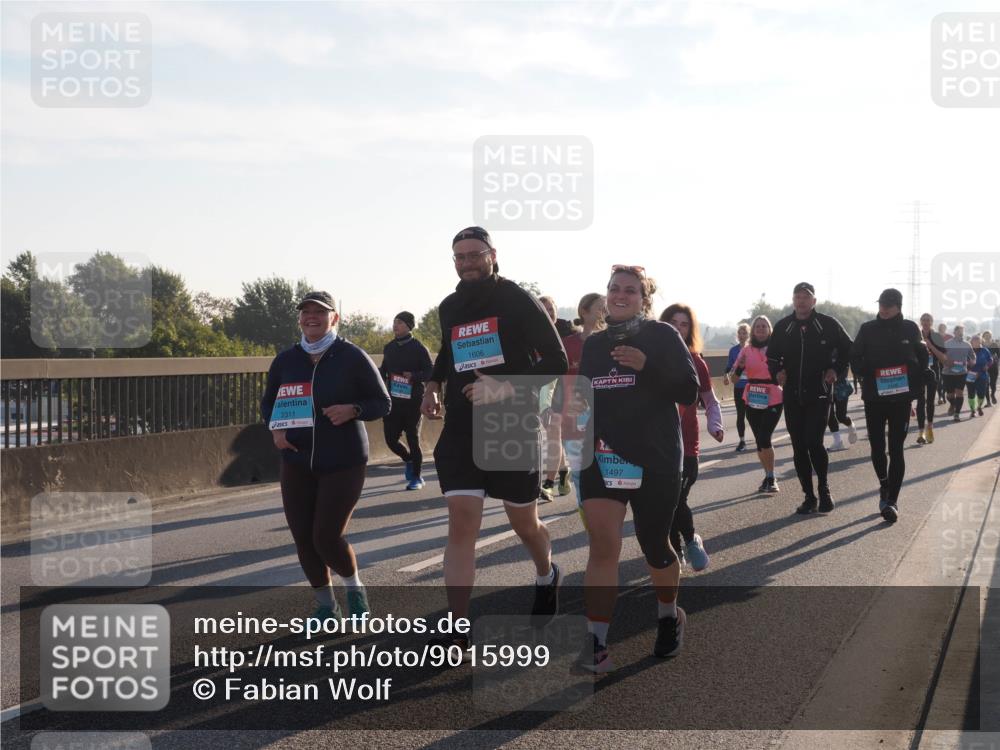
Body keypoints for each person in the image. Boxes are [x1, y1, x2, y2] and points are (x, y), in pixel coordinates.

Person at [420, 226, 568, 654]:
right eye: (459, 256)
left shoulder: (516, 299)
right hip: (462, 430)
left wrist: (505, 386)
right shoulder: (450, 306)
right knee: (461, 524)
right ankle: (458, 628)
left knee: (524, 523)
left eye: (474, 254)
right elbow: (448, 352)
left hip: (511, 426)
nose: (467, 262)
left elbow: (557, 360)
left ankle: (546, 573)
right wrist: (433, 384)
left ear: (492, 255)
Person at [572, 265, 699, 673]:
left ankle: (668, 616)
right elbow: (586, 398)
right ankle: (597, 643)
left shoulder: (662, 336)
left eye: (630, 290)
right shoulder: (594, 345)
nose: (620, 295)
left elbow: (689, 391)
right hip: (604, 457)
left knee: (655, 545)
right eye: (614, 288)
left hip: (655, 457)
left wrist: (647, 365)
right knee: (602, 546)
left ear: (644, 299)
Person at [261, 291, 391, 621]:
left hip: (343, 460)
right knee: (304, 539)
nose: (311, 317)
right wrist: (276, 430)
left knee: (326, 536)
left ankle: (355, 590)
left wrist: (354, 409)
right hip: (296, 460)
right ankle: (325, 606)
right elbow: (269, 403)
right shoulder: (286, 360)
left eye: (319, 312)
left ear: (334, 318)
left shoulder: (351, 356)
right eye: (305, 312)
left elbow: (383, 402)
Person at [767, 282, 852, 514]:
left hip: (819, 392)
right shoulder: (784, 326)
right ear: (793, 300)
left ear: (814, 301)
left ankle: (824, 489)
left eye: (806, 297)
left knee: (814, 442)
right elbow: (772, 356)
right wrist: (777, 372)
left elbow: (848, 349)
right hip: (793, 394)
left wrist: (835, 369)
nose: (801, 301)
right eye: (798, 297)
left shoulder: (828, 324)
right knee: (798, 446)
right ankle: (809, 496)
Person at [850, 289, 928, 523]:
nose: (883, 309)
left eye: (888, 305)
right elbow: (855, 356)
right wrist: (865, 371)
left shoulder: (910, 328)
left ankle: (892, 500)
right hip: (874, 398)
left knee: (896, 448)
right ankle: (884, 484)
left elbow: (922, 355)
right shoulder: (867, 329)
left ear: (898, 307)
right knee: (877, 447)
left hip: (900, 399)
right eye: (881, 304)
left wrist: (922, 374)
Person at [661, 303, 723, 572]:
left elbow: (710, 399)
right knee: (664, 503)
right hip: (656, 445)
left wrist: (715, 424)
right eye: (672, 322)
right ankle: (673, 552)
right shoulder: (650, 357)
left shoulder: (697, 362)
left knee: (676, 500)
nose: (677, 328)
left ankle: (690, 541)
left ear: (690, 330)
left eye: (683, 324)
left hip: (686, 447)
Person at [556, 292, 607, 523]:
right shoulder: (568, 345)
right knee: (579, 475)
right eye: (600, 308)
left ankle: (604, 519)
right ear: (584, 312)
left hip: (604, 420)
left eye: (606, 308)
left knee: (605, 474)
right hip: (573, 420)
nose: (605, 313)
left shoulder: (611, 342)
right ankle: (589, 520)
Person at [728, 315, 783, 493]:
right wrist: (740, 367)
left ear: (769, 330)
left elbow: (785, 372)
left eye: (764, 326)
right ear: (753, 330)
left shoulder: (776, 348)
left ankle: (772, 477)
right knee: (759, 440)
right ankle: (767, 475)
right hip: (752, 396)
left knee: (765, 437)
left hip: (773, 395)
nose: (760, 329)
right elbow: (734, 379)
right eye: (757, 326)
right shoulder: (746, 350)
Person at [380, 312, 434, 490]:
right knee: (390, 439)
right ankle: (409, 459)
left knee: (413, 438)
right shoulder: (389, 347)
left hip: (413, 401)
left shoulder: (419, 348)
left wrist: (414, 376)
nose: (395, 325)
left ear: (409, 326)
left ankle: (417, 478)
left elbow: (431, 372)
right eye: (394, 322)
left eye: (400, 322)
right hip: (393, 401)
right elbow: (383, 371)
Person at [538, 295, 573, 501]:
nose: (548, 313)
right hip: (538, 388)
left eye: (551, 309)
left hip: (559, 389)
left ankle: (549, 483)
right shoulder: (530, 333)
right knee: (553, 435)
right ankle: (563, 470)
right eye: (543, 309)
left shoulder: (567, 333)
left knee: (553, 433)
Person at [916, 313, 948, 444]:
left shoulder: (936, 337)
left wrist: (930, 346)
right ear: (920, 321)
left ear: (932, 322)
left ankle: (929, 427)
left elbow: (943, 358)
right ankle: (921, 433)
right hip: (919, 372)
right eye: (923, 320)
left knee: (930, 401)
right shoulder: (916, 335)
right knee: (920, 402)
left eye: (928, 320)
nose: (925, 322)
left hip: (933, 372)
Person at [724, 323, 750, 452]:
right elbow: (729, 366)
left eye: (744, 333)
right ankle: (742, 441)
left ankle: (761, 438)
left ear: (748, 335)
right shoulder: (733, 350)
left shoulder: (753, 349)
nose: (741, 335)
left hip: (752, 387)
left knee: (753, 415)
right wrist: (726, 376)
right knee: (740, 415)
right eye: (740, 333)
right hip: (739, 386)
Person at [943, 326, 976, 422]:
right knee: (949, 395)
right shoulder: (947, 344)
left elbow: (973, 355)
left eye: (962, 331)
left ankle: (957, 414)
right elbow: (942, 356)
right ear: (954, 332)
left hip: (962, 372)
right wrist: (946, 361)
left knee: (959, 393)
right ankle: (953, 404)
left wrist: (973, 361)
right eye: (958, 331)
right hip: (948, 373)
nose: (960, 333)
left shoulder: (967, 344)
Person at [826, 373, 857, 452]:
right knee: (829, 415)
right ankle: (838, 441)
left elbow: (844, 369)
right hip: (827, 387)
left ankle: (850, 424)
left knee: (841, 416)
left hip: (841, 386)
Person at [967, 334, 995, 418]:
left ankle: (979, 407)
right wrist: (968, 367)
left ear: (981, 341)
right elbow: (963, 360)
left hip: (982, 374)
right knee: (971, 394)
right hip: (971, 374)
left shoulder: (984, 350)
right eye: (974, 340)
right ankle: (972, 411)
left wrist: (987, 366)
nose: (976, 342)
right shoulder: (968, 350)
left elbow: (990, 359)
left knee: (981, 394)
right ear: (971, 342)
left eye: (978, 340)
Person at [937, 323, 954, 405]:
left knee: (945, 379)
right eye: (940, 327)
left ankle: (943, 394)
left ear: (945, 328)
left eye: (943, 327)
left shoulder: (950, 337)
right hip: (937, 360)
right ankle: (940, 396)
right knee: (939, 379)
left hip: (947, 360)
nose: (942, 328)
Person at [984, 331, 999, 406]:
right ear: (983, 336)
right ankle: (988, 402)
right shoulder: (981, 345)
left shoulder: (994, 344)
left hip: (993, 366)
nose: (987, 337)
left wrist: (996, 359)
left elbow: (999, 355)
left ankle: (992, 395)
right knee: (985, 384)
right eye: (986, 335)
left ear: (991, 336)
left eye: (989, 335)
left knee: (993, 384)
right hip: (984, 367)